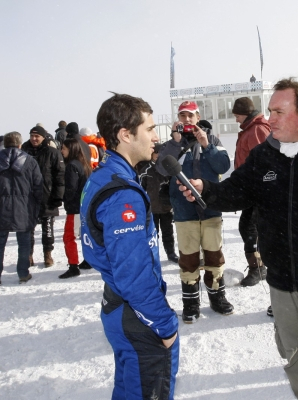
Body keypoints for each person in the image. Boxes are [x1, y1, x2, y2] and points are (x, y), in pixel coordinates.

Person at [178, 78, 298, 400]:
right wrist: (206, 189)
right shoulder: (265, 155)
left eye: (279, 111)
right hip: (283, 282)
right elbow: (236, 190)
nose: (270, 118)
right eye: (269, 111)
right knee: (297, 359)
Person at [80, 93, 179, 399]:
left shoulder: (106, 175)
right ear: (125, 135)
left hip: (121, 310)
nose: (156, 137)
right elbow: (133, 274)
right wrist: (165, 326)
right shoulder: (122, 193)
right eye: (149, 129)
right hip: (136, 316)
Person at [155, 101, 232, 320]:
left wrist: (207, 145)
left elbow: (223, 166)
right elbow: (161, 168)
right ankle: (190, 303)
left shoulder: (213, 139)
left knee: (214, 256)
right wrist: (176, 143)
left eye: (190, 115)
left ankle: (218, 298)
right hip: (183, 211)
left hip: (210, 209)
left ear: (198, 116)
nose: (187, 120)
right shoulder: (172, 144)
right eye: (182, 115)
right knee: (188, 259)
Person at [231, 97, 270, 286]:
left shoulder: (256, 130)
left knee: (249, 227)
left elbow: (264, 161)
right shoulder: (251, 129)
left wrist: (257, 186)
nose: (236, 119)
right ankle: (260, 265)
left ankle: (259, 267)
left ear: (244, 113)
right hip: (250, 188)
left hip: (258, 190)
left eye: (237, 115)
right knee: (250, 227)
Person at [0, 132, 43, 285]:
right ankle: (23, 273)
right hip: (23, 207)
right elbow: (38, 186)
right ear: (20, 145)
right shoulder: (29, 161)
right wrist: (38, 205)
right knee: (24, 242)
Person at [21, 125, 65, 267]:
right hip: (28, 197)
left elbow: (60, 175)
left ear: (43, 137)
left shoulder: (52, 152)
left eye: (37, 136)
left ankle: (48, 254)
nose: (34, 139)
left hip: (47, 195)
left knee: (47, 229)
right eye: (32, 136)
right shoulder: (24, 151)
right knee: (28, 229)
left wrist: (58, 196)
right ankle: (29, 255)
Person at [137, 144, 179, 263]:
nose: (158, 155)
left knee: (168, 232)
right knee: (152, 234)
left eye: (160, 153)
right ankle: (151, 254)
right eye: (156, 153)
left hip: (166, 207)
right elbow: (140, 188)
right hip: (152, 208)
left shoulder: (168, 169)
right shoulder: (145, 169)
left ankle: (171, 253)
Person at [58, 138, 92, 279]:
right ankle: (88, 260)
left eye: (64, 148)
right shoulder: (84, 164)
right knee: (85, 235)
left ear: (71, 149)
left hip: (75, 209)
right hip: (84, 206)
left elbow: (71, 188)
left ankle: (73, 266)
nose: (61, 151)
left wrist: (66, 201)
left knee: (69, 237)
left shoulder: (72, 166)